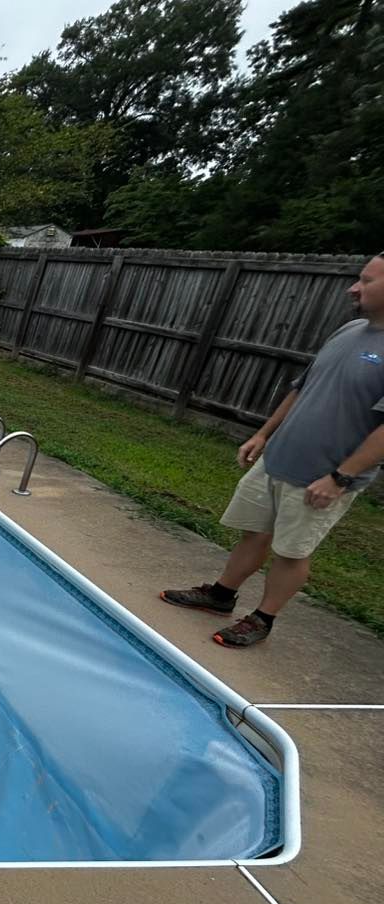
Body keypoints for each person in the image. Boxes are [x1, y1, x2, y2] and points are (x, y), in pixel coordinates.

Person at [161, 253, 384, 647]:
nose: (353, 287)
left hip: (323, 476)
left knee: (292, 552)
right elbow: (302, 388)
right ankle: (220, 595)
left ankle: (263, 619)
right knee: (255, 534)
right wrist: (263, 434)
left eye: (366, 280)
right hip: (278, 458)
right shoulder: (350, 330)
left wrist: (340, 477)